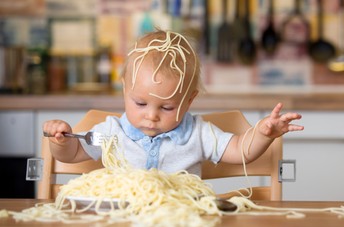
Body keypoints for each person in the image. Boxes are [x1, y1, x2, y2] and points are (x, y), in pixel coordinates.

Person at [43, 30, 304, 176]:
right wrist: (62, 142)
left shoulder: (198, 134)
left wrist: (262, 133)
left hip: (184, 226)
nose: (151, 116)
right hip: (122, 226)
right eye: (140, 104)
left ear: (189, 101)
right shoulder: (111, 134)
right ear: (125, 91)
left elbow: (239, 150)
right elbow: (74, 153)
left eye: (166, 107)